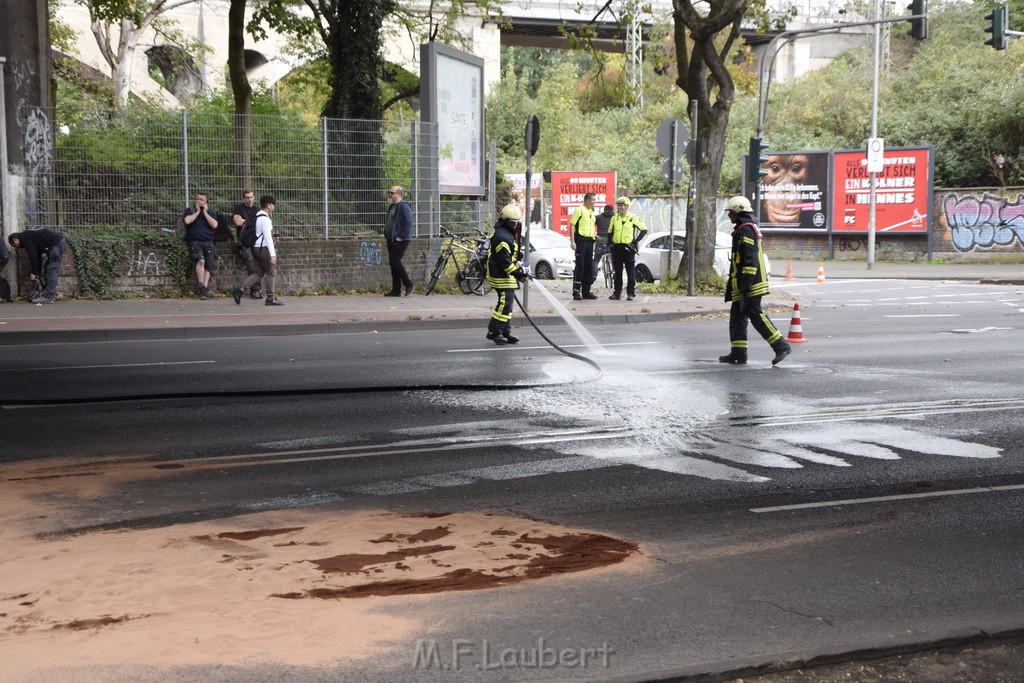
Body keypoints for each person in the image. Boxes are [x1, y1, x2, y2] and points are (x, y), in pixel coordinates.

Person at [719, 195, 791, 366]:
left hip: (751, 285)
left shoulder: (746, 230)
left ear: (739, 212)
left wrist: (745, 286)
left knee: (755, 314)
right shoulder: (743, 228)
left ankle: (781, 346)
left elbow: (750, 260)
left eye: (730, 212)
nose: (729, 216)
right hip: (744, 285)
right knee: (737, 318)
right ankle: (738, 353)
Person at [485, 204, 528, 345]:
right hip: (499, 274)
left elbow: (510, 256)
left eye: (518, 222)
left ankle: (505, 332)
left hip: (505, 274)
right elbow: (504, 262)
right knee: (505, 302)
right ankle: (494, 332)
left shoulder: (507, 233)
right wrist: (517, 273)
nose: (516, 225)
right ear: (506, 221)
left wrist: (518, 269)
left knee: (508, 304)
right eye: (514, 222)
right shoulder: (502, 237)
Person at [233, 195, 284, 306]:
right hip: (263, 248)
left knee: (258, 273)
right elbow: (268, 238)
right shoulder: (265, 219)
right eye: (273, 205)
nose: (273, 207)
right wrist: (273, 254)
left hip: (254, 248)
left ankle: (240, 289)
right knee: (271, 272)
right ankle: (270, 298)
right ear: (269, 205)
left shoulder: (256, 216)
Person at [7, 229, 68, 304]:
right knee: (49, 269)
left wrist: (34, 273)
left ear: (15, 240)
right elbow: (37, 255)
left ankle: (47, 296)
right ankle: (46, 293)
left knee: (51, 270)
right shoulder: (29, 235)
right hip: (58, 243)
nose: (17, 247)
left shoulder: (24, 238)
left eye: (15, 245)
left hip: (56, 245)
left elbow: (32, 256)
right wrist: (37, 272)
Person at [607, 196, 648, 301]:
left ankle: (630, 293)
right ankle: (617, 293)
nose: (620, 207)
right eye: (618, 205)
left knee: (630, 273)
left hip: (628, 248)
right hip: (617, 248)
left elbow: (644, 230)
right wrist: (610, 243)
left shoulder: (633, 218)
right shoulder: (614, 218)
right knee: (618, 273)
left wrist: (635, 241)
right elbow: (610, 232)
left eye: (622, 206)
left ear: (627, 206)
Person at [182, 191, 219, 299]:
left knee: (209, 265)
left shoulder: (211, 212)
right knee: (201, 260)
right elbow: (187, 221)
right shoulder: (190, 210)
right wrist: (198, 211)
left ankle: (204, 290)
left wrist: (205, 213)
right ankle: (201, 285)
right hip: (195, 241)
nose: (199, 201)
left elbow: (215, 224)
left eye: (201, 200)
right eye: (197, 199)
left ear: (206, 202)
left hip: (208, 241)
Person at [384, 185, 414, 297]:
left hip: (401, 240)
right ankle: (396, 290)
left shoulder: (403, 206)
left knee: (395, 261)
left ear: (398, 194)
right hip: (391, 238)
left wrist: (400, 236)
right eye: (389, 192)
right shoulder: (392, 206)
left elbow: (408, 223)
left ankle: (409, 284)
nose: (390, 195)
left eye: (392, 193)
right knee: (393, 263)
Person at [231, 189, 262, 299]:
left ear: (254, 197)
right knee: (250, 262)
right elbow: (237, 221)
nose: (250, 200)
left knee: (260, 264)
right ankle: (256, 290)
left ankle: (256, 289)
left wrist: (246, 221)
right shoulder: (239, 208)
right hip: (243, 241)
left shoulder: (258, 210)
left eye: (251, 197)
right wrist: (252, 222)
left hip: (257, 241)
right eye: (247, 198)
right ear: (244, 198)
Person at [569, 192, 598, 301]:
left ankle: (586, 291)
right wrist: (573, 241)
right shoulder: (579, 210)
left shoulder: (591, 211)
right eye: (593, 200)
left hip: (590, 241)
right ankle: (576, 291)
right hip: (581, 241)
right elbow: (572, 225)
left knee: (588, 267)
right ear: (587, 200)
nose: (595, 202)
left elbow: (589, 227)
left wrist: (595, 236)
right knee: (580, 266)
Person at [592, 203, 614, 287]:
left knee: (596, 259)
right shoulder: (615, 217)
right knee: (614, 258)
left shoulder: (598, 217)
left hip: (600, 239)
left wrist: (594, 237)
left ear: (604, 210)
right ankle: (615, 274)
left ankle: (594, 275)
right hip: (611, 239)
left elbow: (591, 226)